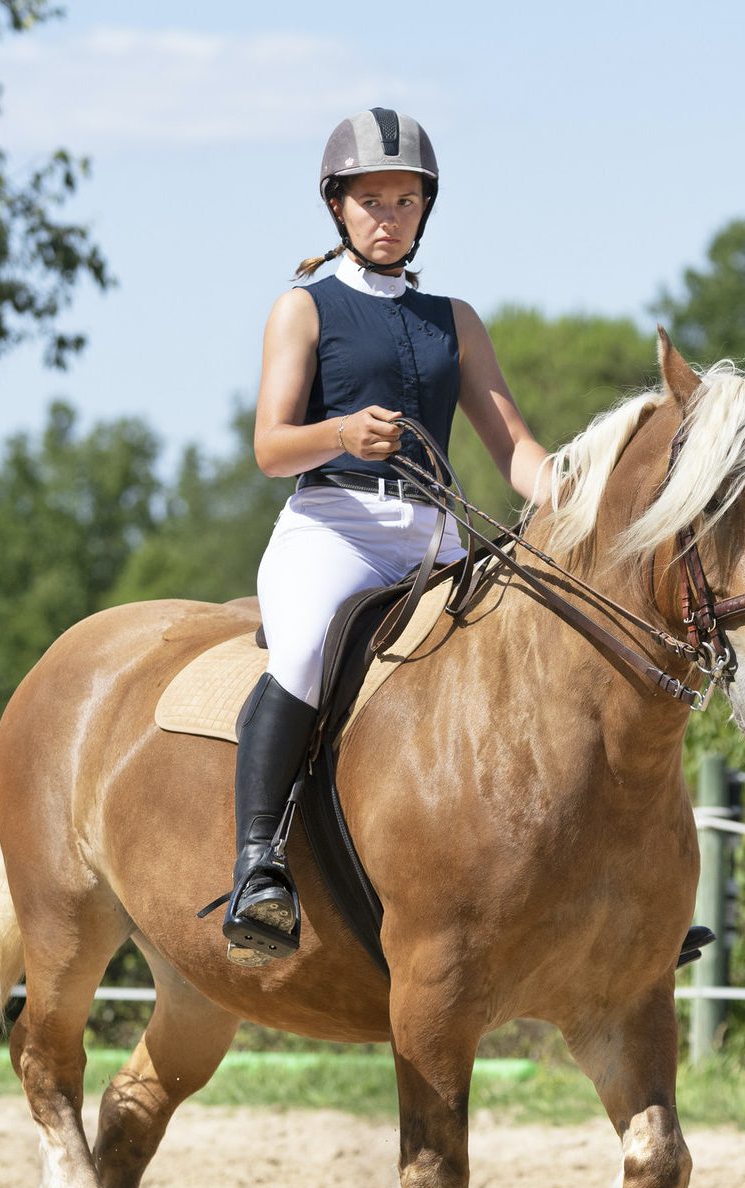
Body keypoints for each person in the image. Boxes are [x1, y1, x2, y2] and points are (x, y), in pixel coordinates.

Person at [220, 107, 549, 966]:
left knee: (536, 656)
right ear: (338, 206)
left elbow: (513, 449)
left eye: (406, 200)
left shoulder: (456, 318)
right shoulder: (304, 307)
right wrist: (340, 434)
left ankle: (584, 883)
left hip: (436, 536)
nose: (389, 214)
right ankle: (258, 863)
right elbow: (268, 447)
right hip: (335, 527)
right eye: (372, 199)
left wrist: (582, 496)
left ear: (425, 210)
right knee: (301, 654)